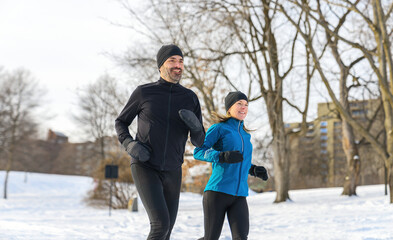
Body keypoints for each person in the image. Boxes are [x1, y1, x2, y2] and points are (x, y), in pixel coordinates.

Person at [115, 44, 205, 240]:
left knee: (167, 230)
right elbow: (121, 122)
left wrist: (197, 128)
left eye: (180, 61)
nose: (178, 65)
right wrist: (130, 145)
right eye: (172, 60)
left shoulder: (190, 98)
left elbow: (199, 141)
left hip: (173, 169)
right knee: (160, 225)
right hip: (145, 165)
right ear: (160, 65)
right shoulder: (144, 93)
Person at [194, 91, 269, 240]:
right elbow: (199, 151)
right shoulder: (219, 129)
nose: (244, 107)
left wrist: (253, 169)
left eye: (246, 105)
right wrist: (221, 156)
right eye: (239, 104)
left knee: (241, 237)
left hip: (239, 195)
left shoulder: (246, 135)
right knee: (210, 238)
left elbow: (240, 161)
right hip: (217, 192)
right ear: (229, 108)